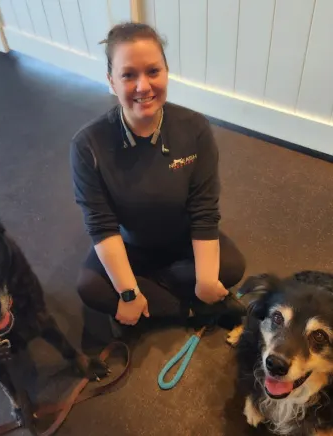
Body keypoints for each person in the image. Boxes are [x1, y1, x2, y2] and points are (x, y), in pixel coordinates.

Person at [70, 22, 246, 335]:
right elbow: (101, 227)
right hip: (130, 246)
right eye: (128, 75)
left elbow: (204, 211)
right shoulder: (87, 145)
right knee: (90, 287)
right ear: (111, 81)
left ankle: (162, 302)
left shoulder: (196, 129)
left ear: (166, 72)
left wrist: (205, 281)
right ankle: (191, 309)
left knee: (231, 267)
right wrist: (126, 292)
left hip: (182, 239)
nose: (143, 86)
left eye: (153, 71)